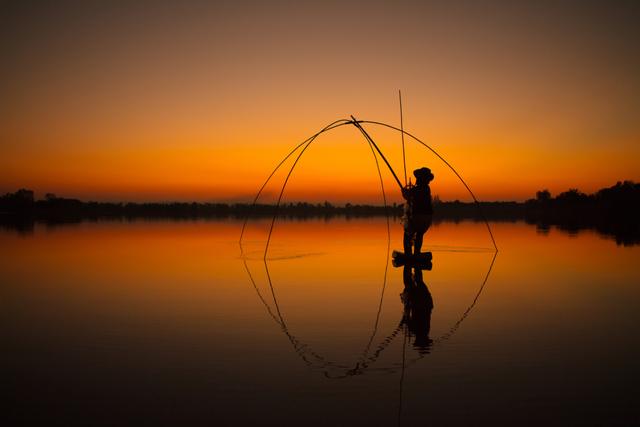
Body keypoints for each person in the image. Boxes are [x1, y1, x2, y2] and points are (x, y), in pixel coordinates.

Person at [401, 167, 434, 255]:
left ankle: (408, 254)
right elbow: (410, 195)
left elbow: (407, 196)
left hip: (418, 216)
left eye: (418, 178)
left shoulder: (418, 189)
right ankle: (417, 253)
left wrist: (403, 191)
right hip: (427, 217)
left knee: (408, 234)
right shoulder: (427, 188)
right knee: (419, 234)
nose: (417, 179)